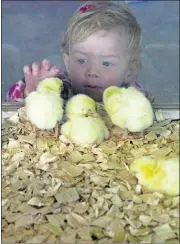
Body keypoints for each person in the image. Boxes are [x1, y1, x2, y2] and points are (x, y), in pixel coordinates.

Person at [6, 1, 153, 103]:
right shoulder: (61, 87)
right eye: (81, 60)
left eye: (106, 63)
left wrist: (141, 104)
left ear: (129, 70)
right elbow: (11, 111)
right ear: (67, 61)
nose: (92, 71)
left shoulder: (131, 93)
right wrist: (32, 93)